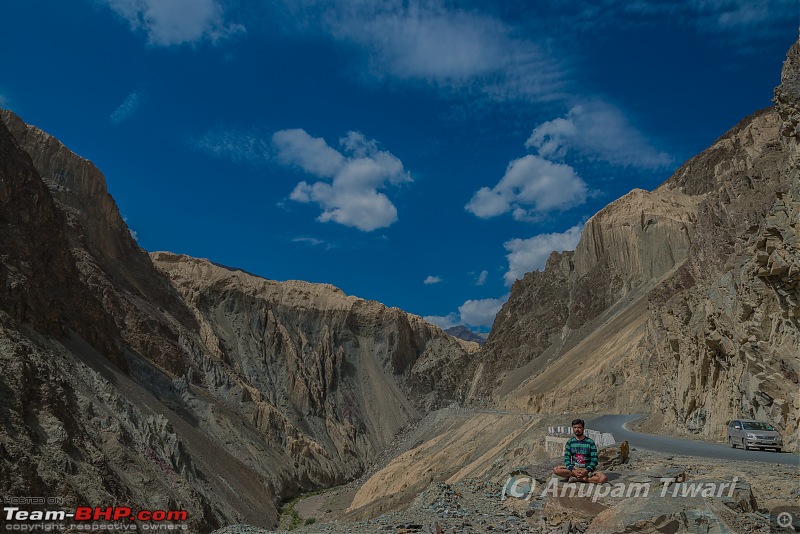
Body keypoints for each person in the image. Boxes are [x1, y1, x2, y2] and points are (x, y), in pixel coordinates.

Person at [552, 419, 608, 484]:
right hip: (575, 468)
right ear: (572, 428)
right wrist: (573, 470)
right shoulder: (570, 442)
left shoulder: (590, 442)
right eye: (575, 427)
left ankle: (584, 479)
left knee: (603, 478)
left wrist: (586, 470)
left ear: (583, 428)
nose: (577, 429)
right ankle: (578, 476)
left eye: (579, 427)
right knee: (556, 470)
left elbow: (594, 460)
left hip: (587, 469)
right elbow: (567, 459)